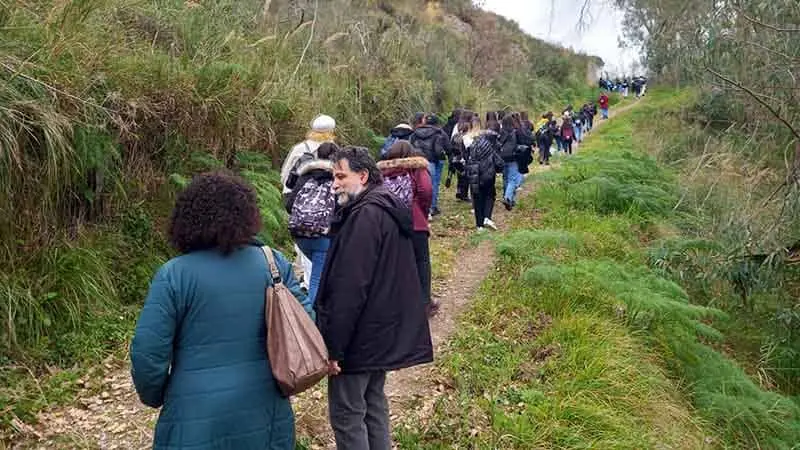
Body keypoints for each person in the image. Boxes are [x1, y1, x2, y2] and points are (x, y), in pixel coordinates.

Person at [131, 171, 307, 450]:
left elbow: (147, 352)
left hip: (192, 415)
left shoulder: (175, 275)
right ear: (247, 215)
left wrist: (155, 395)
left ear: (187, 219)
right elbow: (306, 322)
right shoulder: (272, 263)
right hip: (265, 409)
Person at [315, 147, 433, 450]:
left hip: (359, 337)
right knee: (373, 405)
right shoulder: (385, 206)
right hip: (379, 332)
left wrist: (335, 347)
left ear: (363, 176)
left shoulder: (365, 216)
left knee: (348, 414)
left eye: (341, 176)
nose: (334, 183)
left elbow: (349, 288)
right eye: (333, 176)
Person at [377, 141, 438, 316]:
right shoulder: (417, 168)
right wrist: (422, 211)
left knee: (397, 263)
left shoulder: (382, 173)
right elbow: (426, 191)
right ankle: (425, 303)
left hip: (390, 223)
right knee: (422, 261)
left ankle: (399, 303)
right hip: (415, 221)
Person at [279, 114, 336, 292]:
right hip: (324, 219)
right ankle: (311, 293)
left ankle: (303, 282)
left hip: (297, 204)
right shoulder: (335, 152)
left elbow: (284, 175)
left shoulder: (299, 149)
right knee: (318, 263)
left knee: (303, 251)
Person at [284, 142, 339, 310]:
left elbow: (289, 204)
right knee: (317, 280)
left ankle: (315, 308)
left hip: (300, 234)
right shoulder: (338, 177)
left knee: (316, 275)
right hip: (322, 236)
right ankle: (311, 318)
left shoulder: (305, 175)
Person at [465, 121, 503, 231]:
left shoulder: (470, 142)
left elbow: (466, 158)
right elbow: (498, 159)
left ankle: (479, 225)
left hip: (474, 172)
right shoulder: (491, 143)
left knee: (477, 198)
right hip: (488, 172)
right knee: (490, 195)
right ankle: (487, 217)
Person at [410, 114, 450, 217]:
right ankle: (432, 208)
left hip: (418, 161)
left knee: (418, 184)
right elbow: (448, 147)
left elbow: (410, 145)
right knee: (433, 184)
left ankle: (419, 207)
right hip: (434, 161)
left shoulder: (415, 132)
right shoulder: (440, 132)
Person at [498, 115, 528, 211]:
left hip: (502, 157)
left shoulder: (500, 132)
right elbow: (522, 143)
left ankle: (509, 199)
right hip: (513, 158)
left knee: (505, 178)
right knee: (512, 179)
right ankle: (508, 197)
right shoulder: (515, 132)